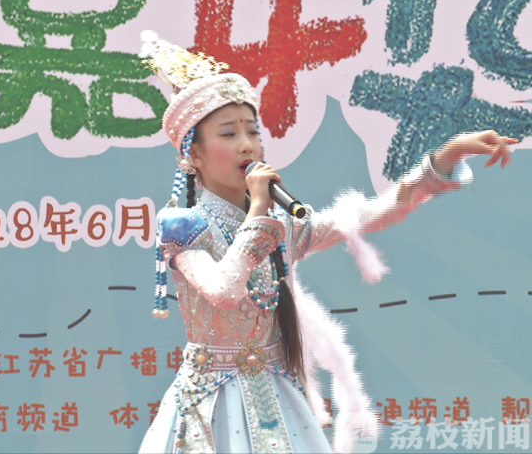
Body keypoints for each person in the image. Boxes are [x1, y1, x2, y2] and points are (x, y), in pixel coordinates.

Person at [137, 31, 517, 454]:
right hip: (210, 405)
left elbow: (372, 214)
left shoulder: (281, 223)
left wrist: (444, 159)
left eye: (253, 132)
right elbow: (224, 291)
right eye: (228, 134)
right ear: (194, 154)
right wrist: (259, 210)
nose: (248, 145)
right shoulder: (184, 225)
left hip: (276, 394)